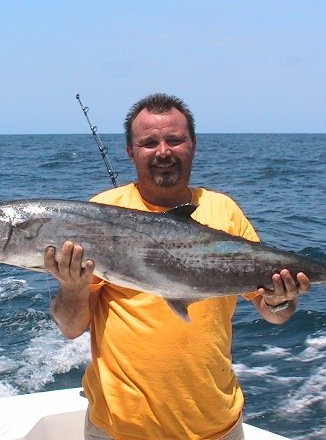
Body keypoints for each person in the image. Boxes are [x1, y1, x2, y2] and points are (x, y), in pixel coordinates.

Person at [45, 93, 310, 440]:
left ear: (193, 145)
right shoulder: (101, 211)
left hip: (215, 426)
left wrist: (281, 300)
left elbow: (274, 313)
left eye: (174, 140)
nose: (163, 152)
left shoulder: (224, 210)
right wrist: (72, 286)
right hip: (118, 429)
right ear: (130, 152)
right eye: (149, 142)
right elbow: (71, 327)